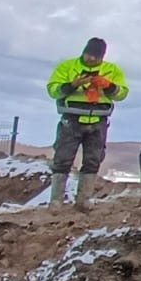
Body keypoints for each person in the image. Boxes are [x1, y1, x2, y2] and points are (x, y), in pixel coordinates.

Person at [45, 37, 129, 207]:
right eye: (89, 55)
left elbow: (122, 94)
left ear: (102, 56)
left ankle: (84, 200)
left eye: (96, 57)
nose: (91, 59)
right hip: (72, 119)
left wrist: (108, 85)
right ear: (84, 51)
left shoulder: (112, 70)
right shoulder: (67, 66)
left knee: (93, 160)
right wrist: (73, 84)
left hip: (98, 120)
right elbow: (53, 90)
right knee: (63, 158)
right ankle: (56, 200)